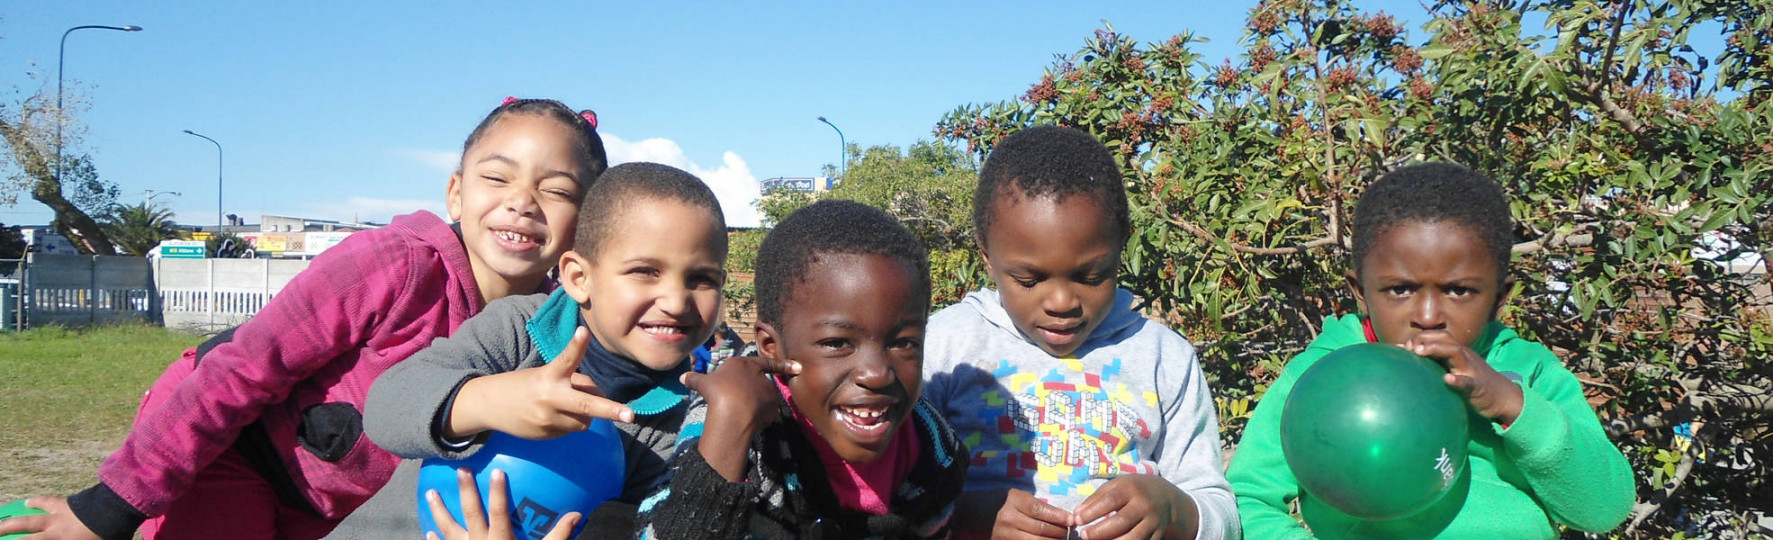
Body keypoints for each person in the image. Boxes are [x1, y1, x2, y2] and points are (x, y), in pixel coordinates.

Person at [0, 97, 606, 540]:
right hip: (234, 455)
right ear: (455, 193)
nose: (521, 200)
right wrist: (107, 508)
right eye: (496, 177)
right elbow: (239, 372)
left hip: (331, 508)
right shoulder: (392, 264)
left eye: (555, 190)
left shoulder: (551, 330)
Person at [1225, 162, 1636, 538]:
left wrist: (1513, 406)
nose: (1427, 316)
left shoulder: (1530, 373)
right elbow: (1248, 500)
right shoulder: (1320, 379)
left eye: (1459, 291)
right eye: (1399, 289)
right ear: (1361, 293)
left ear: (1498, 298)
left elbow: (1603, 510)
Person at [364, 162, 740, 538]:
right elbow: (384, 408)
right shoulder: (517, 329)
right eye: (645, 271)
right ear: (578, 278)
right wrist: (488, 400)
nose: (676, 301)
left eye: (701, 279)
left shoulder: (682, 426)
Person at [922, 125, 1238, 540]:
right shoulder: (946, 346)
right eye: (1028, 279)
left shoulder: (1165, 358)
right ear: (987, 254)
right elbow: (891, 495)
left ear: (1120, 248)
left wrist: (1174, 510)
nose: (1061, 302)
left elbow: (1221, 512)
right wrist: (962, 517)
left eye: (1092, 276)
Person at [636, 200, 970, 539]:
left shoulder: (934, 452)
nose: (877, 373)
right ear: (772, 348)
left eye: (904, 343)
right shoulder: (734, 418)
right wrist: (727, 436)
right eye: (838, 343)